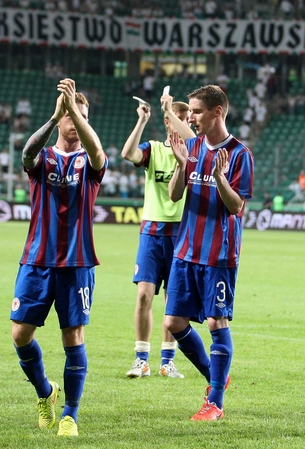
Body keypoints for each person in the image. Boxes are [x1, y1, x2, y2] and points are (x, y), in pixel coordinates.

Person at [10, 79, 106, 437]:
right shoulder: (45, 157)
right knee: (20, 334)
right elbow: (26, 155)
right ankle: (46, 393)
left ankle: (70, 414)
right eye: (73, 116)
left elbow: (97, 151)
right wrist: (53, 117)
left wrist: (76, 112)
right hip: (37, 258)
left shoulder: (91, 160)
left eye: (84, 116)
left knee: (74, 338)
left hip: (78, 262)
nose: (79, 122)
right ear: (62, 117)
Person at [164, 85, 254, 421]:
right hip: (186, 250)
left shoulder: (240, 154)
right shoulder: (191, 147)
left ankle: (214, 402)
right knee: (173, 322)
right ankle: (217, 379)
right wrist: (179, 165)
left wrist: (219, 177)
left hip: (218, 253)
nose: (191, 118)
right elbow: (174, 196)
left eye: (198, 111)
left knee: (217, 320)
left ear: (217, 112)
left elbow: (237, 206)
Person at [120, 94, 194, 379]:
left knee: (172, 301)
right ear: (167, 122)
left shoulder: (192, 152)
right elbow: (128, 154)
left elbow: (193, 141)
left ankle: (167, 360)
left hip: (180, 232)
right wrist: (142, 120)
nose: (186, 124)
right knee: (143, 296)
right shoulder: (153, 149)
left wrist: (169, 111)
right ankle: (141, 359)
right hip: (152, 232)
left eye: (188, 120)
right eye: (180, 119)